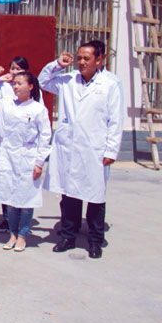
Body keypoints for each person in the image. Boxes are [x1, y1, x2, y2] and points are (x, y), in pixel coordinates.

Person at [39, 42, 124, 259]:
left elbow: (116, 120)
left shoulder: (110, 84)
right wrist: (58, 64)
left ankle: (95, 241)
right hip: (69, 147)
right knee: (69, 195)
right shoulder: (68, 80)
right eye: (79, 58)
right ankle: (68, 236)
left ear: (99, 59)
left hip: (94, 148)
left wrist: (111, 151)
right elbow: (43, 81)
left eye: (87, 58)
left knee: (95, 196)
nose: (82, 62)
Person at [0, 68, 51, 251]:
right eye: (14, 84)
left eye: (20, 83)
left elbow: (45, 136)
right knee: (9, 199)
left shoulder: (38, 109)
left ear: (31, 86)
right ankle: (12, 234)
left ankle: (22, 235)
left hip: (28, 158)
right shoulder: (6, 105)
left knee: (26, 201)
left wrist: (39, 162)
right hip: (7, 158)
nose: (15, 87)